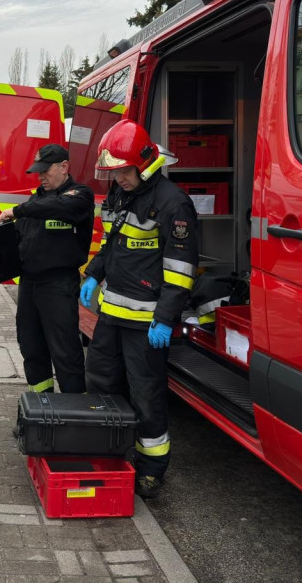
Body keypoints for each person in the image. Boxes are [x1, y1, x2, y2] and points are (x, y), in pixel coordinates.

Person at [79, 120, 199, 498]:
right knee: (99, 381)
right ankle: (107, 450)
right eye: (113, 173)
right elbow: (111, 244)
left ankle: (151, 469)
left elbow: (180, 271)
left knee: (146, 395)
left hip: (146, 322)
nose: (118, 179)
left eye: (123, 171)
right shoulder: (120, 195)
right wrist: (93, 276)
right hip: (112, 314)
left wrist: (164, 320)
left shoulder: (172, 202)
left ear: (145, 164)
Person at [0, 143, 94, 394]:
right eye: (37, 171)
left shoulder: (79, 195)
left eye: (45, 170)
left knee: (65, 349)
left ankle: (74, 412)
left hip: (58, 284)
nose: (40, 176)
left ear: (64, 167)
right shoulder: (37, 197)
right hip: (30, 284)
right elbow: (24, 234)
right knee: (31, 345)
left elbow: (57, 207)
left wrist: (17, 210)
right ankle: (43, 407)